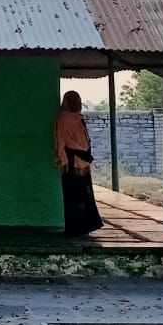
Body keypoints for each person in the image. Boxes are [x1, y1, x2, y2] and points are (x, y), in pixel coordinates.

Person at [54, 91, 103, 235]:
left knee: (85, 194)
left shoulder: (79, 118)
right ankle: (75, 227)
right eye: (73, 101)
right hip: (71, 162)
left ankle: (86, 226)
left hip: (83, 160)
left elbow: (85, 139)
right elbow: (61, 141)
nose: (76, 104)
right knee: (73, 195)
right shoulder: (63, 118)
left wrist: (85, 154)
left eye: (77, 100)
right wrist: (63, 159)